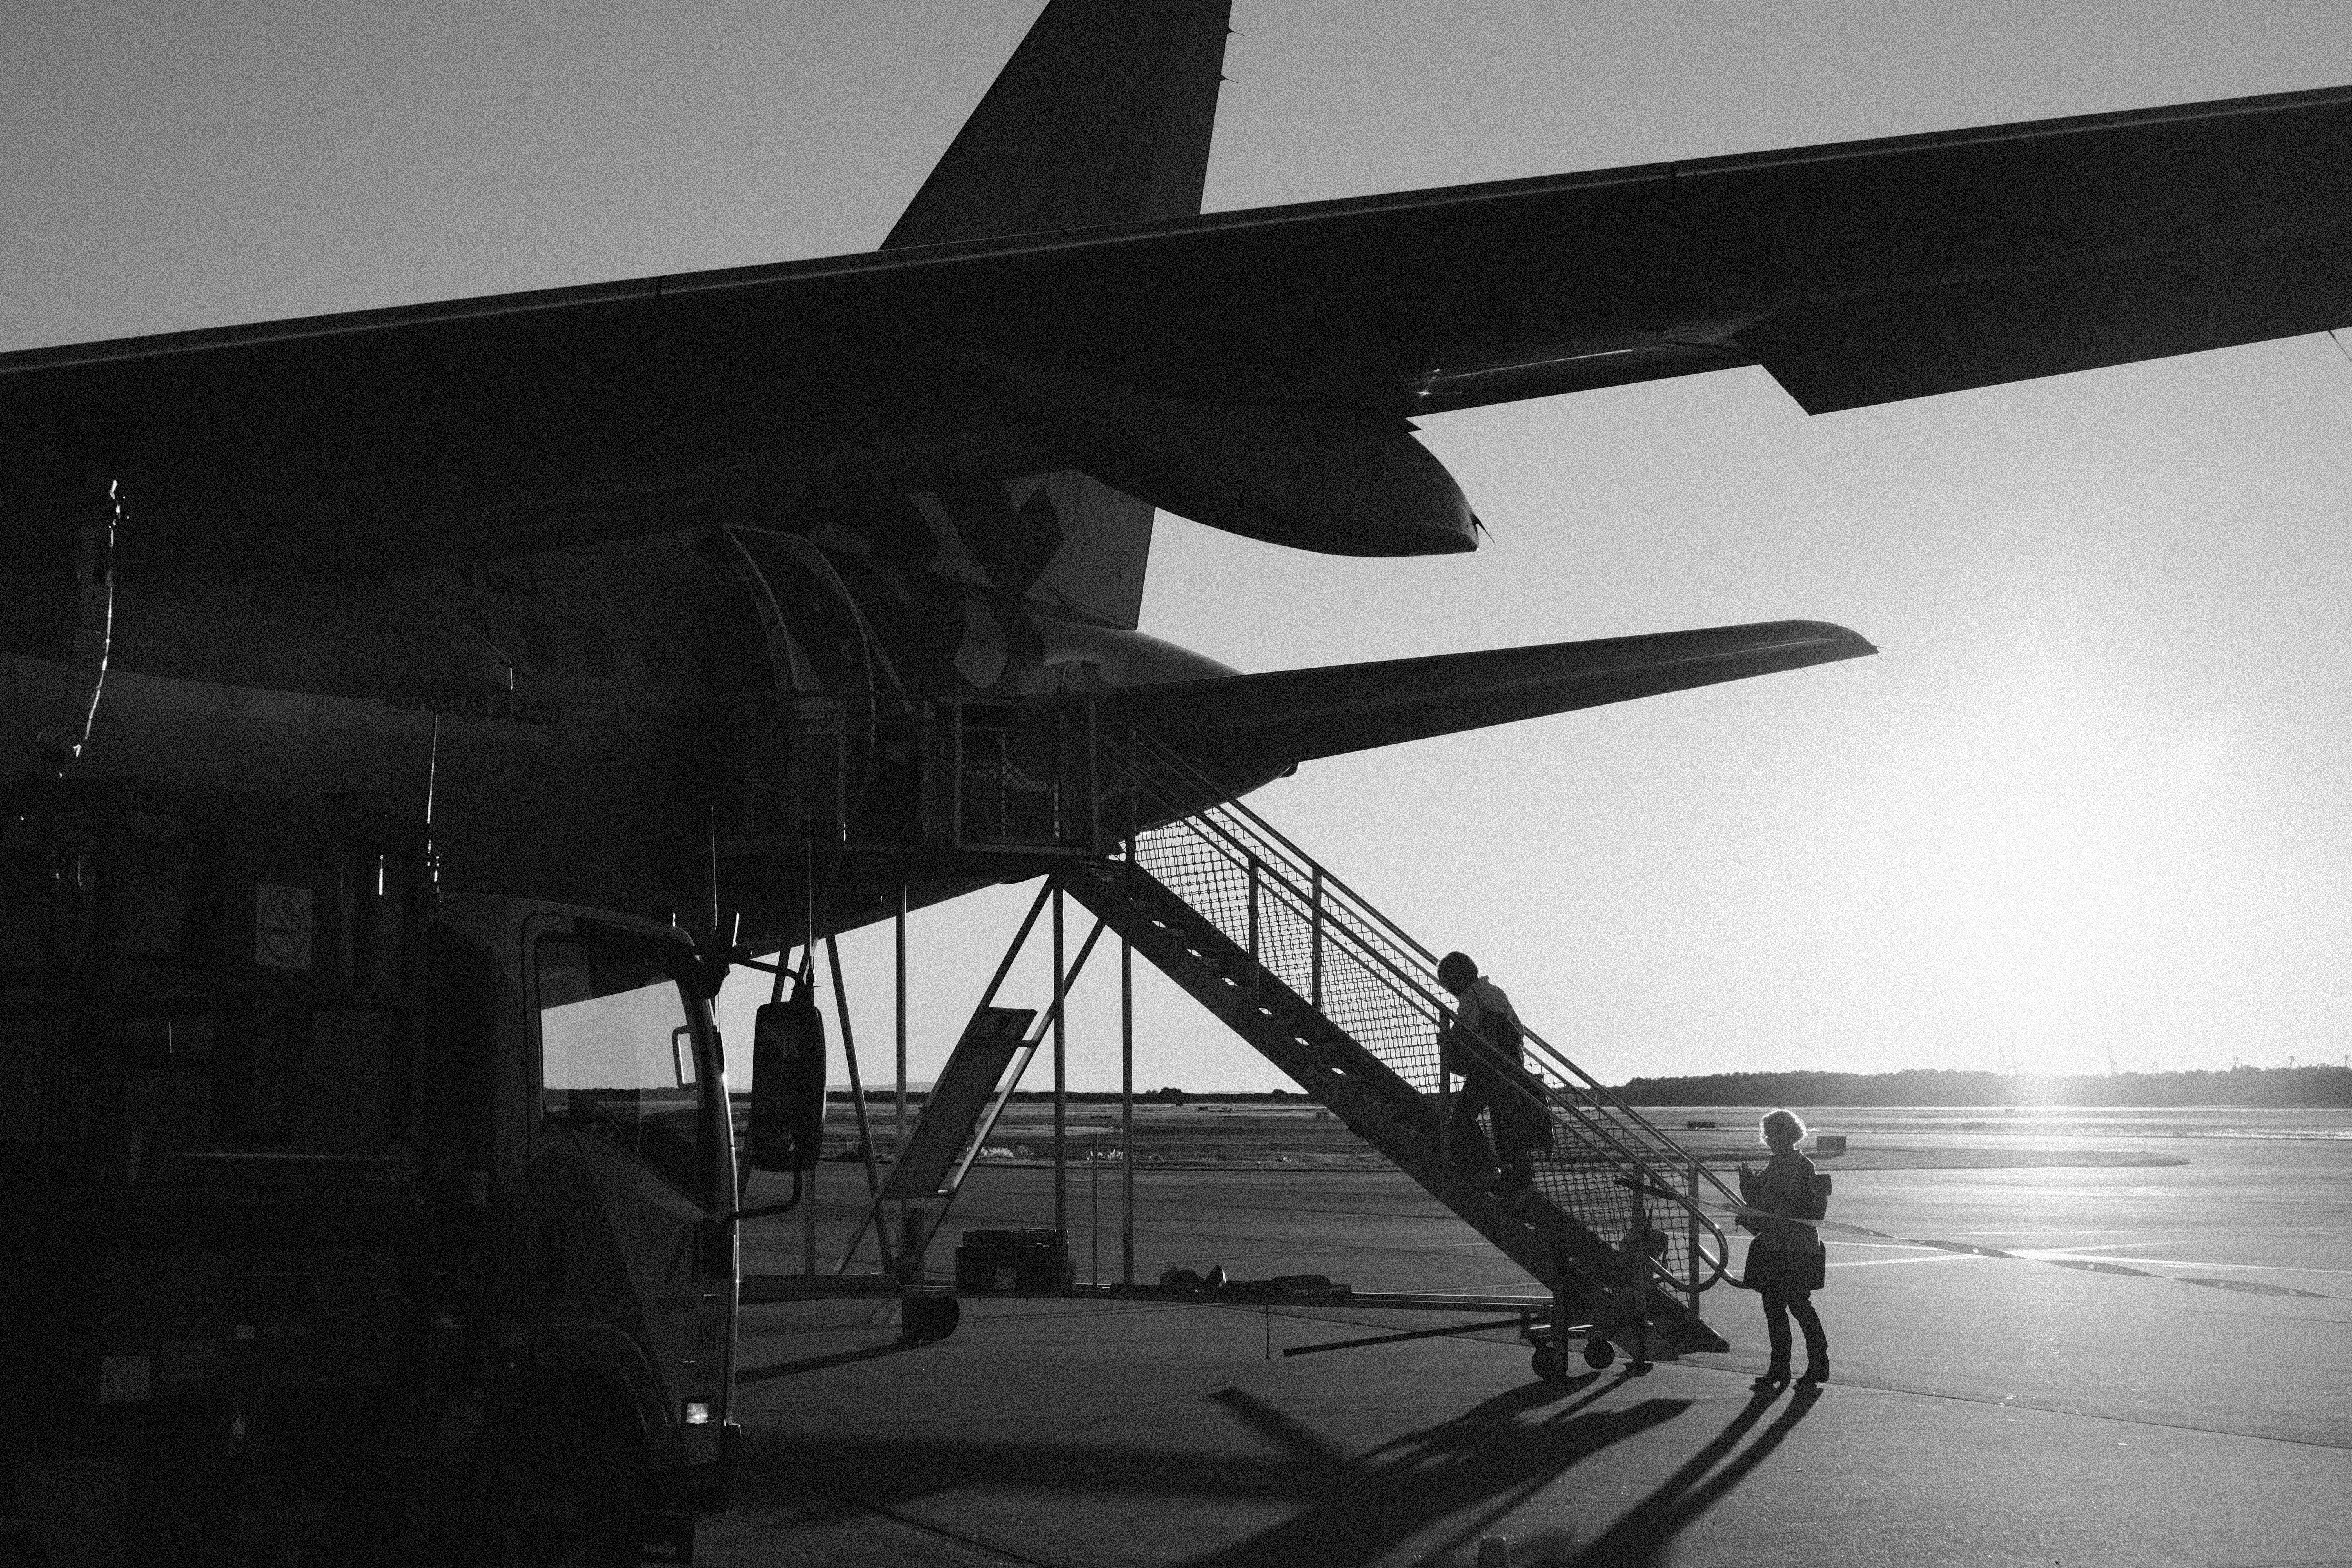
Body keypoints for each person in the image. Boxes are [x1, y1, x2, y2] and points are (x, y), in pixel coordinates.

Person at [1436, 951, 1539, 1201]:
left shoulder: (1471, 997)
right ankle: (1523, 1186)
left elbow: (1466, 1031)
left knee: (1462, 1115)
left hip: (1489, 1069)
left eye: (1446, 982)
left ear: (1454, 979)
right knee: (1507, 1125)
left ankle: (1490, 1169)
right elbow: (1520, 1029)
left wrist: (1446, 1039)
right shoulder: (1496, 991)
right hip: (1512, 1066)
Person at [1739, 1108, 1829, 1390]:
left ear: (1770, 1135)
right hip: (1805, 1246)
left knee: (1777, 1309)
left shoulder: (1781, 1167)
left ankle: (1781, 1367)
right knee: (1800, 1306)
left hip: (1782, 1247)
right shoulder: (1805, 1164)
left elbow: (1760, 1199)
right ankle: (1816, 1364)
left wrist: (1746, 1185)